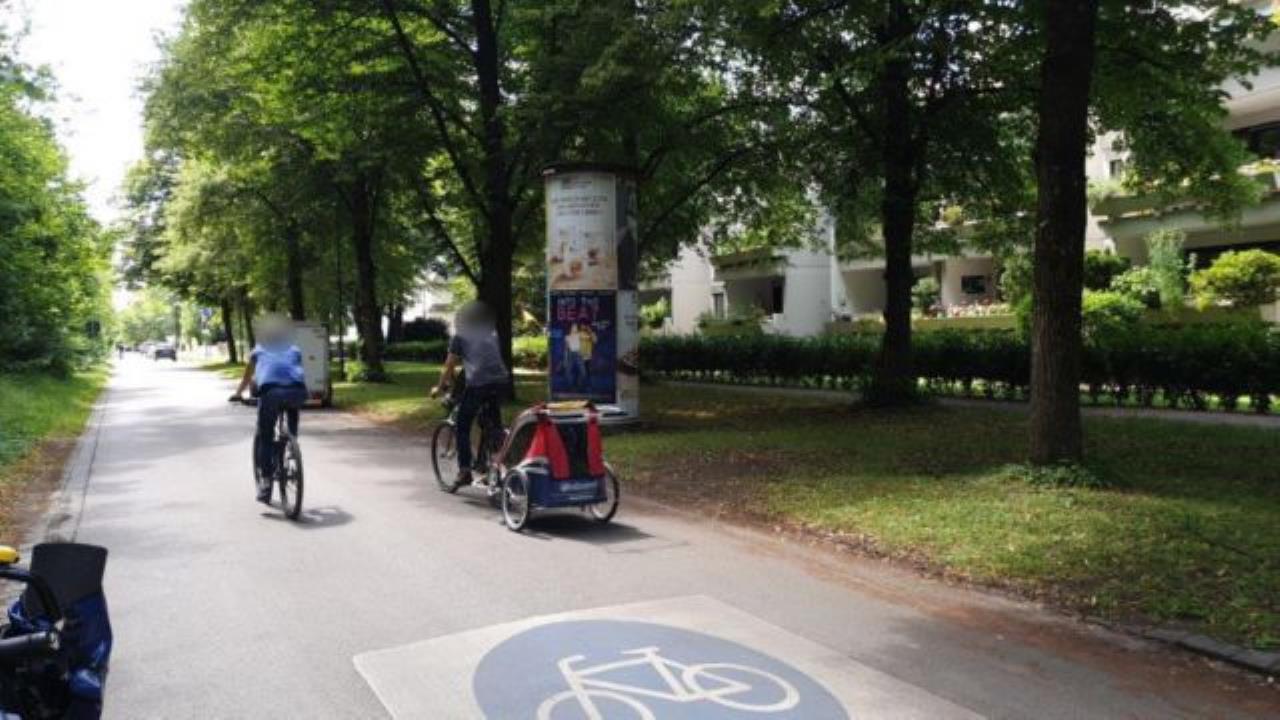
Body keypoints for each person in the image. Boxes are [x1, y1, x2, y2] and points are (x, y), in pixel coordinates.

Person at [229, 314, 307, 503]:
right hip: (298, 392)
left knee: (265, 436)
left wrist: (238, 394)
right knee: (292, 413)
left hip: (271, 394)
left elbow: (247, 377)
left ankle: (265, 482)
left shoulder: (258, 350)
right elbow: (295, 371)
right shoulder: (295, 349)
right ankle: (291, 444)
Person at [431, 301, 509, 487]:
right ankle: (492, 464)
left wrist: (439, 387)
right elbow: (483, 359)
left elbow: (449, 365)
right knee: (492, 425)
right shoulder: (492, 333)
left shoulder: (460, 336)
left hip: (478, 384)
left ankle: (465, 471)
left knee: (462, 426)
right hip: (500, 382)